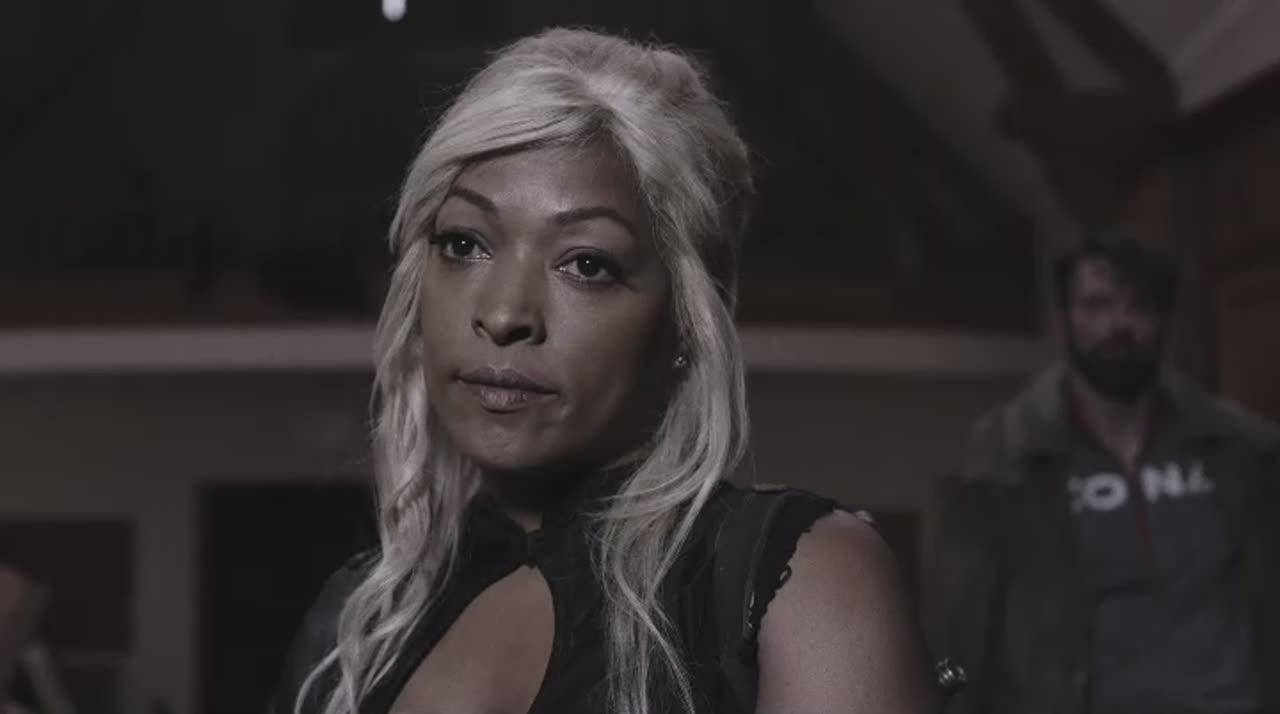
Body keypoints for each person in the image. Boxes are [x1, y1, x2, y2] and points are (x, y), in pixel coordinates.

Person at [272, 27, 939, 714]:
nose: (504, 314)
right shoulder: (354, 626)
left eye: (586, 264)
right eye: (464, 244)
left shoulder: (801, 582)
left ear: (685, 318)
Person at [923, 233, 1280, 714]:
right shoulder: (1002, 462)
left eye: (1138, 306)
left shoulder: (1242, 449)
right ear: (1065, 318)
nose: (1118, 325)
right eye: (1097, 305)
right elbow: (959, 632)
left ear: (1163, 319)